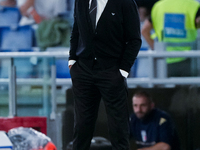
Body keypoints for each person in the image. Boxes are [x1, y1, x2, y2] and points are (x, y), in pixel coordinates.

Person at [68, 0, 141, 149]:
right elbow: (76, 28)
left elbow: (134, 40)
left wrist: (122, 71)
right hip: (83, 70)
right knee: (81, 126)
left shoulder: (125, 3)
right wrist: (72, 59)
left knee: (118, 127)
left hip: (112, 71)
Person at [141, 0, 200, 77]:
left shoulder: (158, 6)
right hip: (189, 59)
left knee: (166, 88)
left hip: (165, 60)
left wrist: (156, 48)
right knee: (189, 87)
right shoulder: (194, 5)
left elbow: (144, 30)